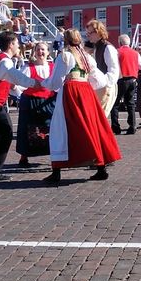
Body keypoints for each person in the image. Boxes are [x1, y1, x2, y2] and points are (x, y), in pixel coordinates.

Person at [40, 29, 122, 184]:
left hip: (71, 92)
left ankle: (56, 171)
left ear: (65, 40)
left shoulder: (65, 56)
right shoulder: (86, 57)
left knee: (61, 129)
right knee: (92, 127)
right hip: (86, 92)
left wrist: (42, 83)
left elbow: (55, 82)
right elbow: (99, 80)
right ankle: (100, 167)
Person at [0, 31, 40, 182]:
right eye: (17, 43)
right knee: (7, 133)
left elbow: (7, 80)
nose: (19, 46)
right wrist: (34, 83)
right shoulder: (5, 61)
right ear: (11, 44)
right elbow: (16, 76)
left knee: (2, 127)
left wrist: (18, 89)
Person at [15, 42, 57, 167]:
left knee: (52, 129)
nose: (40, 52)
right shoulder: (28, 68)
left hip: (49, 102)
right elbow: (20, 85)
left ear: (48, 52)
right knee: (27, 129)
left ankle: (55, 157)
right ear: (34, 52)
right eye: (38, 50)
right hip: (31, 102)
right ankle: (24, 157)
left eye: (43, 50)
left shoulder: (54, 67)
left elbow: (59, 85)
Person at [111, 34, 141, 135]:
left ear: (120, 42)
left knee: (115, 104)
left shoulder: (117, 52)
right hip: (133, 79)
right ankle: (132, 126)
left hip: (121, 79)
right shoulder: (135, 53)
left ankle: (116, 127)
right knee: (130, 103)